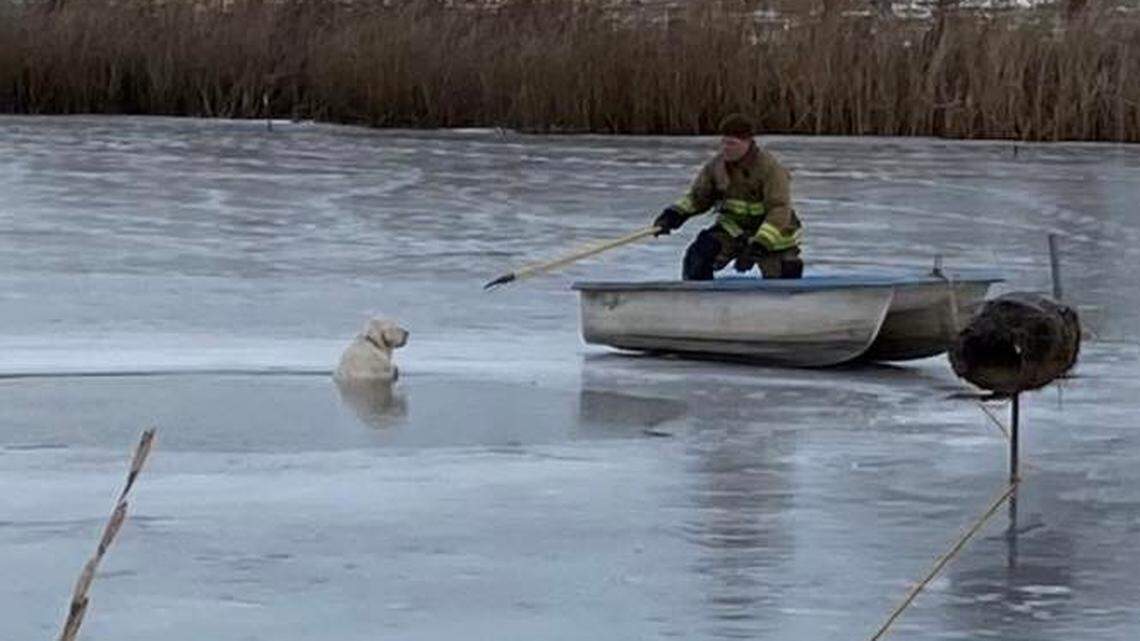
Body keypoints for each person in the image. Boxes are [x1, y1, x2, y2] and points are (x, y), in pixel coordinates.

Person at [653, 114, 803, 280]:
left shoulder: (770, 169)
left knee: (786, 275)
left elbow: (779, 209)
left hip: (772, 235)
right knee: (698, 255)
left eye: (732, 144)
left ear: (748, 142)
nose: (725, 148)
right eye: (723, 143)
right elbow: (698, 198)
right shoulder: (716, 167)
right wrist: (673, 215)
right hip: (733, 229)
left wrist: (759, 246)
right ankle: (697, 298)